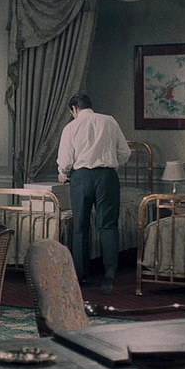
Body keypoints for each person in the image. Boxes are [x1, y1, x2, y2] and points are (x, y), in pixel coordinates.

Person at [57, 93, 130, 293]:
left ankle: (81, 276)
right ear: (90, 105)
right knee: (108, 225)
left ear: (74, 109)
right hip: (107, 177)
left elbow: (66, 159)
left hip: (81, 178)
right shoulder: (109, 121)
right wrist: (109, 164)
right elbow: (125, 152)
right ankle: (109, 275)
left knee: (80, 227)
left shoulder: (71, 127)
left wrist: (63, 173)